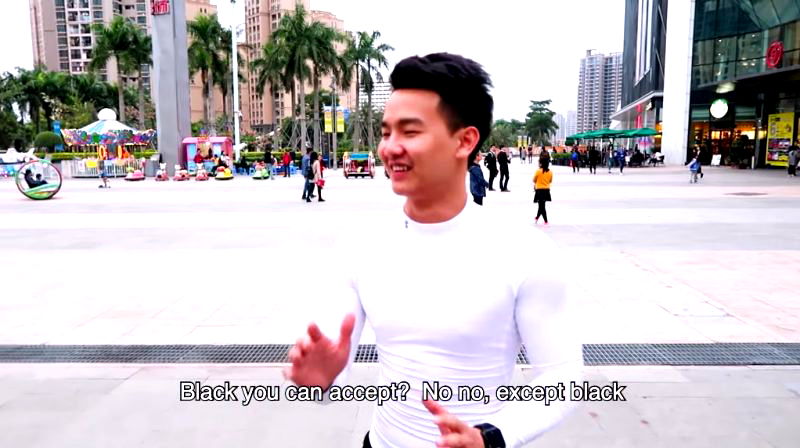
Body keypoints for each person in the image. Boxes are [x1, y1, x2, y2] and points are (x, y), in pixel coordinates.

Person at [284, 52, 581, 448]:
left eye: (410, 132)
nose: (390, 148)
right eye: (386, 133)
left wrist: (492, 437)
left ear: (465, 140)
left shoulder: (526, 253)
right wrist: (321, 380)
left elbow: (563, 378)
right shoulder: (361, 244)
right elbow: (332, 364)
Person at [533, 157, 553, 225]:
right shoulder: (550, 172)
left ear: (541, 164)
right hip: (546, 190)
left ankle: (545, 221)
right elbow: (550, 181)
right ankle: (537, 218)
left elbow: (534, 180)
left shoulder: (538, 171)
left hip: (539, 190)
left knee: (541, 206)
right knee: (542, 205)